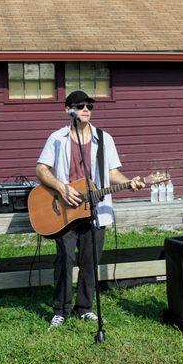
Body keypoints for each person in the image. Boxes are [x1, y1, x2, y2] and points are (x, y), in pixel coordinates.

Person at [36, 90, 145, 329]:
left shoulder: (104, 139)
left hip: (96, 210)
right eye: (81, 105)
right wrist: (61, 188)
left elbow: (113, 173)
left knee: (90, 261)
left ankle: (84, 308)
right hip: (65, 211)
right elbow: (41, 170)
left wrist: (130, 182)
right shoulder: (57, 138)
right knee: (65, 258)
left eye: (90, 106)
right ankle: (61, 310)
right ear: (68, 110)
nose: (86, 109)